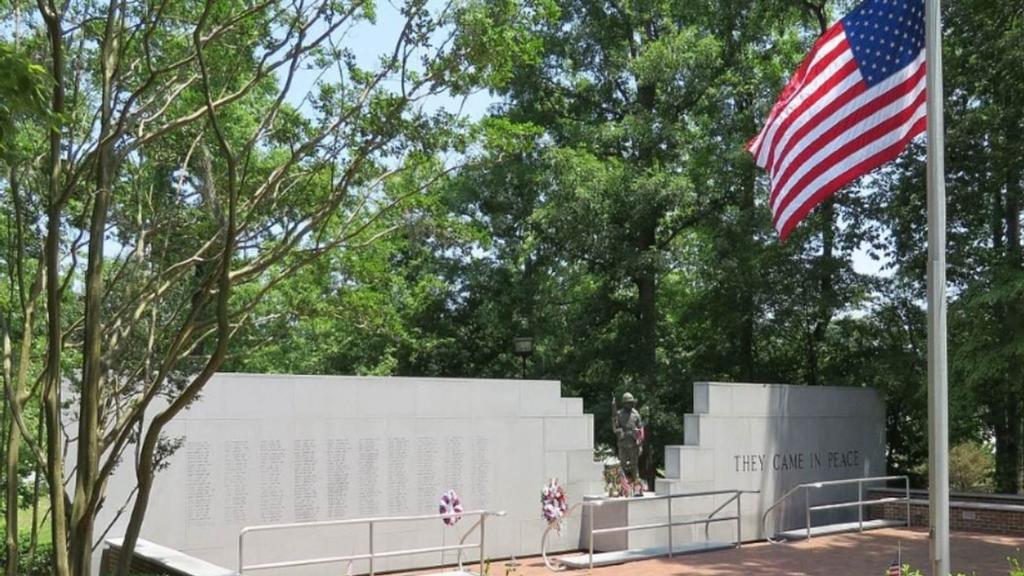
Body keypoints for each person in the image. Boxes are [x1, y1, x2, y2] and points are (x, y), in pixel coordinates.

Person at [613, 392, 643, 493]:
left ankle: (637, 488)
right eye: (628, 403)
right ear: (624, 403)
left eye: (631, 403)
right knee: (622, 466)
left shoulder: (636, 414)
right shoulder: (619, 414)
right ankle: (622, 487)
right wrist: (619, 431)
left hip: (633, 443)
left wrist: (640, 444)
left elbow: (640, 430)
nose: (630, 405)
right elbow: (615, 428)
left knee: (635, 466)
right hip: (623, 444)